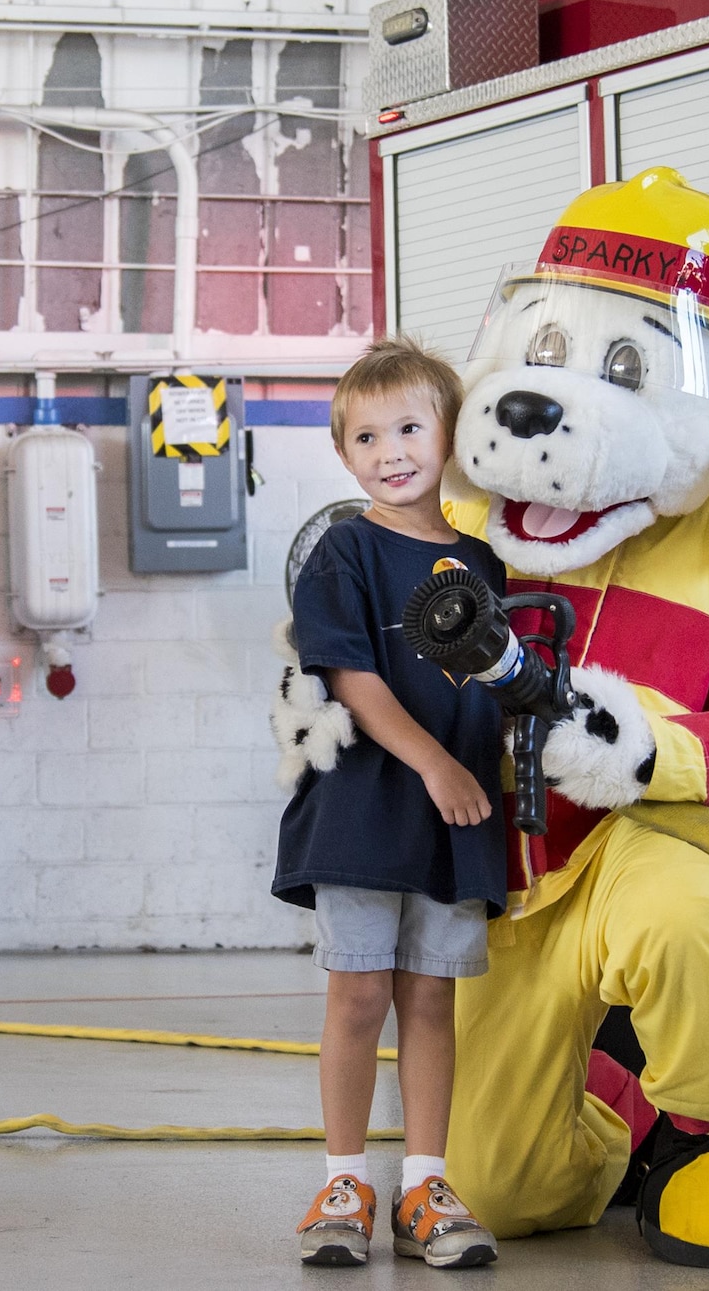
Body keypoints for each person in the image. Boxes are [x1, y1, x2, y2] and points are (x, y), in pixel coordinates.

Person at [275, 338, 504, 1270]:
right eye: (367, 436)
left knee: (430, 999)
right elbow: (354, 679)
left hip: (455, 826)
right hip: (367, 812)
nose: (392, 449)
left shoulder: (485, 561)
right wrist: (437, 765)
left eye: (410, 427)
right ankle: (342, 1181)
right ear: (345, 454)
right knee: (360, 991)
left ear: (450, 434)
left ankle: (422, 1183)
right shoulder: (346, 550)